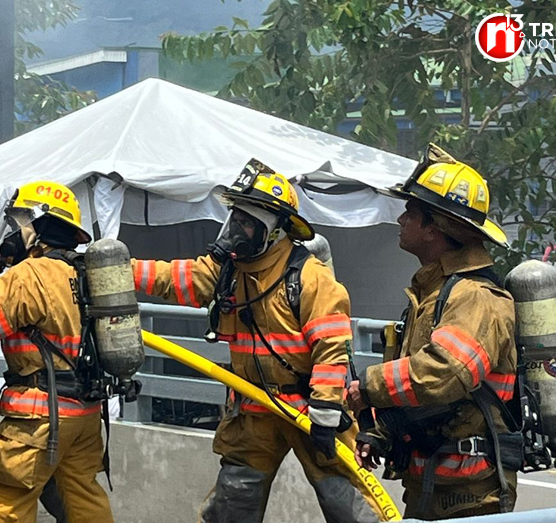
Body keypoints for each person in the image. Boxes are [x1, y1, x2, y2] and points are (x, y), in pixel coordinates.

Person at [132, 159, 382, 523]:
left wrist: (326, 415)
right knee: (234, 503)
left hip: (309, 411)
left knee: (346, 503)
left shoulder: (310, 279)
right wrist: (115, 270)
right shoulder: (228, 272)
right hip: (253, 409)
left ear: (276, 231)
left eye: (247, 223)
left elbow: (332, 349)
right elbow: (174, 278)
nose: (236, 230)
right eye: (235, 219)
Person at [0, 180, 114, 523]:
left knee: (8, 503)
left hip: (40, 418)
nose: (11, 233)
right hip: (84, 415)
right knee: (82, 498)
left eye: (17, 223)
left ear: (36, 227)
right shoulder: (83, 272)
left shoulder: (30, 274)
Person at [347, 144, 519, 520]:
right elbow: (427, 400)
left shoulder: (476, 298)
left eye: (411, 211)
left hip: (470, 498)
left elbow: (446, 373)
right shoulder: (433, 294)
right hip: (429, 486)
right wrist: (382, 431)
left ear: (435, 226)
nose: (401, 219)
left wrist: (369, 385)